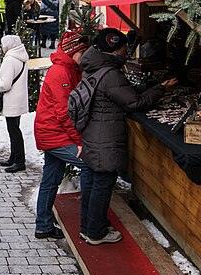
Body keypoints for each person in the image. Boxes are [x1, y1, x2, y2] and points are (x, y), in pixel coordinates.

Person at [68, 28, 175, 244]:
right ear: (115, 49)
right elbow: (134, 102)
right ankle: (96, 232)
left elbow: (121, 93)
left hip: (93, 134)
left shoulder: (94, 66)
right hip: (105, 139)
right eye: (124, 47)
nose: (127, 51)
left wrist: (147, 87)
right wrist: (161, 88)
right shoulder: (110, 74)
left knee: (92, 182)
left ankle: (88, 227)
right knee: (102, 185)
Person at [31, 31, 91, 239]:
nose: (85, 56)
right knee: (88, 164)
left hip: (53, 132)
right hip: (54, 134)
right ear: (74, 51)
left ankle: (43, 225)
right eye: (82, 52)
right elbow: (64, 112)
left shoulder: (69, 68)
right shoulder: (60, 72)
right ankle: (89, 221)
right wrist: (78, 140)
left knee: (50, 179)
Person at [0, 34, 30, 173]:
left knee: (14, 131)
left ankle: (19, 161)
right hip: (19, 99)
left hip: (11, 100)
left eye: (3, 44)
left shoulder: (9, 60)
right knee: (15, 128)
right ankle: (13, 157)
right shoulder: (21, 57)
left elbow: (5, 85)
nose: (2, 47)